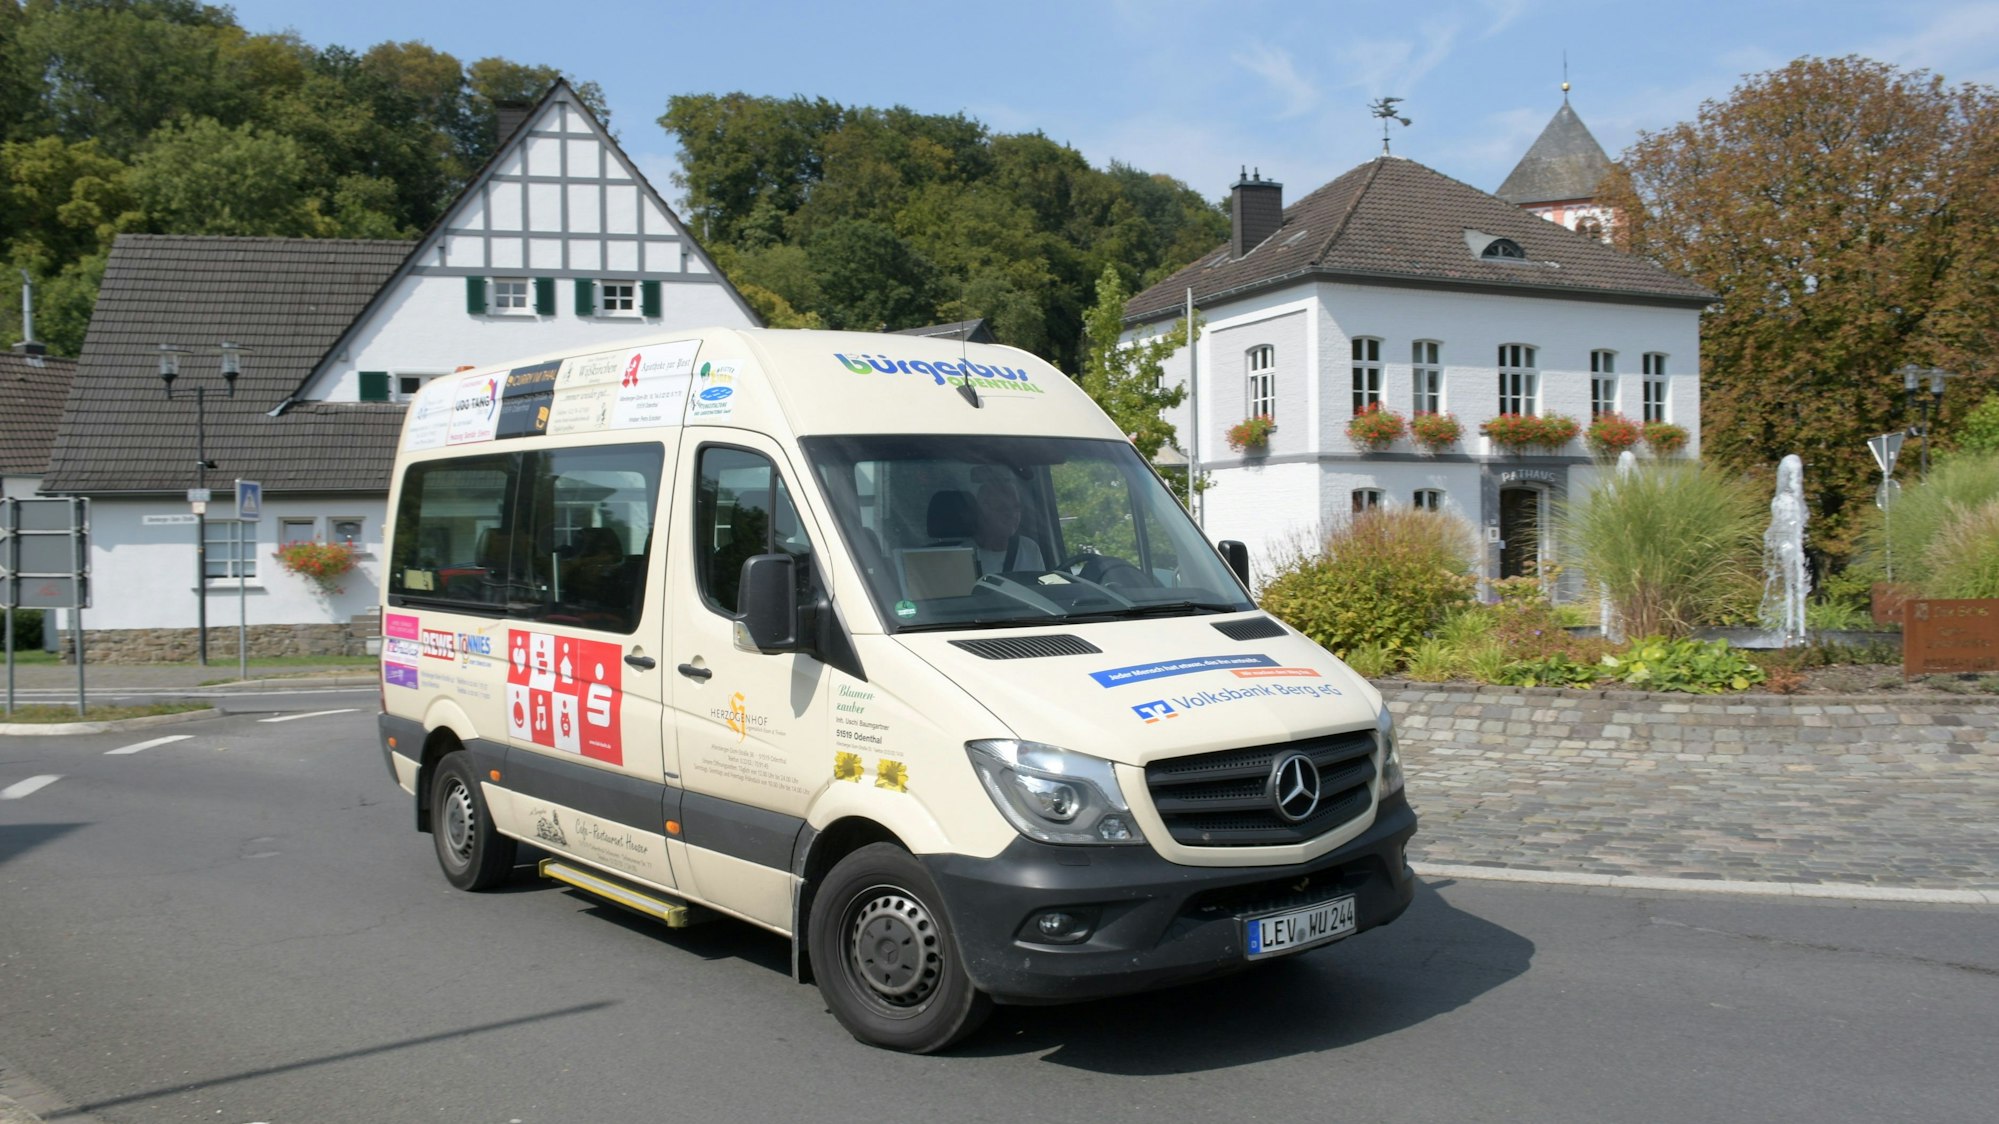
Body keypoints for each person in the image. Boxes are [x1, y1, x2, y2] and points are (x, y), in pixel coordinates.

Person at [972, 480, 1045, 574]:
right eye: (1002, 507)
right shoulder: (964, 554)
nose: (1012, 514)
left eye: (1016, 507)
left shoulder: (1030, 549)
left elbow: (1038, 588)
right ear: (982, 511)